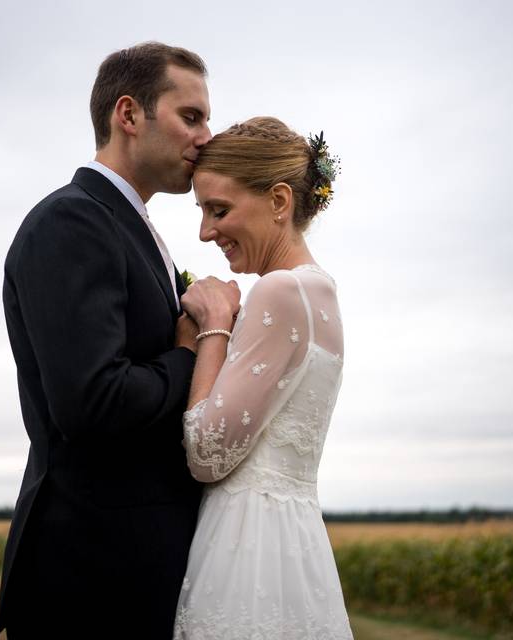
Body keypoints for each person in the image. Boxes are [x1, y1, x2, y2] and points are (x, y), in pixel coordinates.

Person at [0, 42, 240, 639]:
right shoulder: (72, 222)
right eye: (191, 117)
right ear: (128, 116)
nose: (208, 136)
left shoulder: (131, 226)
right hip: (90, 580)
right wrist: (194, 348)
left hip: (128, 570)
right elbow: (93, 401)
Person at [173, 117, 353, 638]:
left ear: (279, 201)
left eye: (219, 210)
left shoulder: (279, 291)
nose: (206, 231)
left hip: (247, 549)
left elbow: (206, 453)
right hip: (296, 542)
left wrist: (212, 327)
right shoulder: (321, 293)